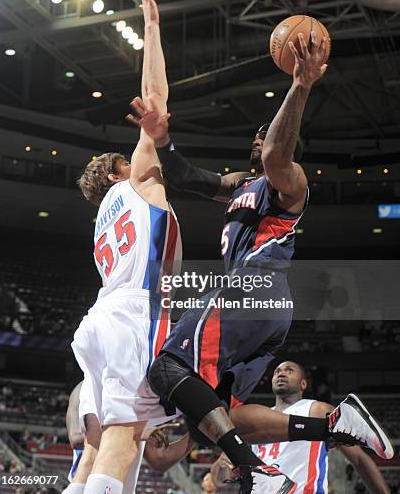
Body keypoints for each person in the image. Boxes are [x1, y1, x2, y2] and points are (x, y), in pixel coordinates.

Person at [128, 32, 393, 493]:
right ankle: (334, 425)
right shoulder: (239, 185)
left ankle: (257, 469)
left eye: (267, 134)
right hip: (268, 308)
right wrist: (162, 139)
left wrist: (301, 86)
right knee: (226, 413)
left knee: (166, 367)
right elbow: (186, 177)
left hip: (254, 287)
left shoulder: (290, 183)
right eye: (257, 133)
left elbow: (276, 152)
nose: (259, 137)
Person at [67, 0, 182, 494]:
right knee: (124, 434)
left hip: (100, 321)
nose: (138, 152)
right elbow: (155, 97)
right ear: (118, 170)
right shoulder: (136, 178)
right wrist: (152, 26)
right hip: (136, 312)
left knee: (100, 448)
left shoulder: (101, 221)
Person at [211, 361, 390, 493]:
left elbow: (358, 459)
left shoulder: (316, 409)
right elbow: (219, 481)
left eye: (289, 371)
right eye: (277, 371)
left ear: (303, 384)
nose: (281, 374)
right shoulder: (256, 418)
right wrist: (223, 463)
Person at [64, 379, 195, 492]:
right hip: (87, 484)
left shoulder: (137, 390)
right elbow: (76, 438)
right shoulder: (85, 387)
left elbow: (159, 460)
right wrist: (138, 432)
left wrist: (197, 433)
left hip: (118, 487)